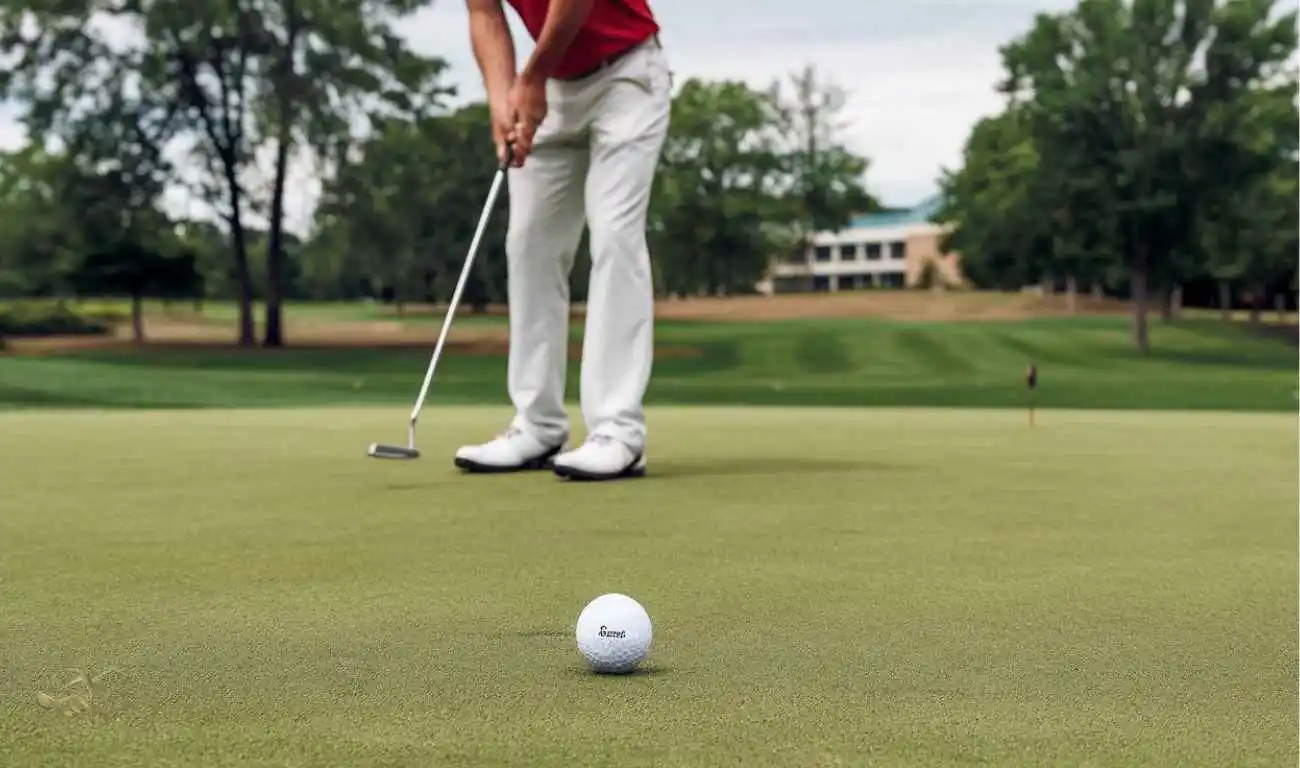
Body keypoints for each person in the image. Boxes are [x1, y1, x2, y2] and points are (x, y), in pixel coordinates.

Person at [454, 0, 671, 481]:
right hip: (551, 84)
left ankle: (618, 432)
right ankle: (538, 425)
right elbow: (484, 14)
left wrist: (530, 79)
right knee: (529, 245)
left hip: (627, 73)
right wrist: (501, 98)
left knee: (615, 236)